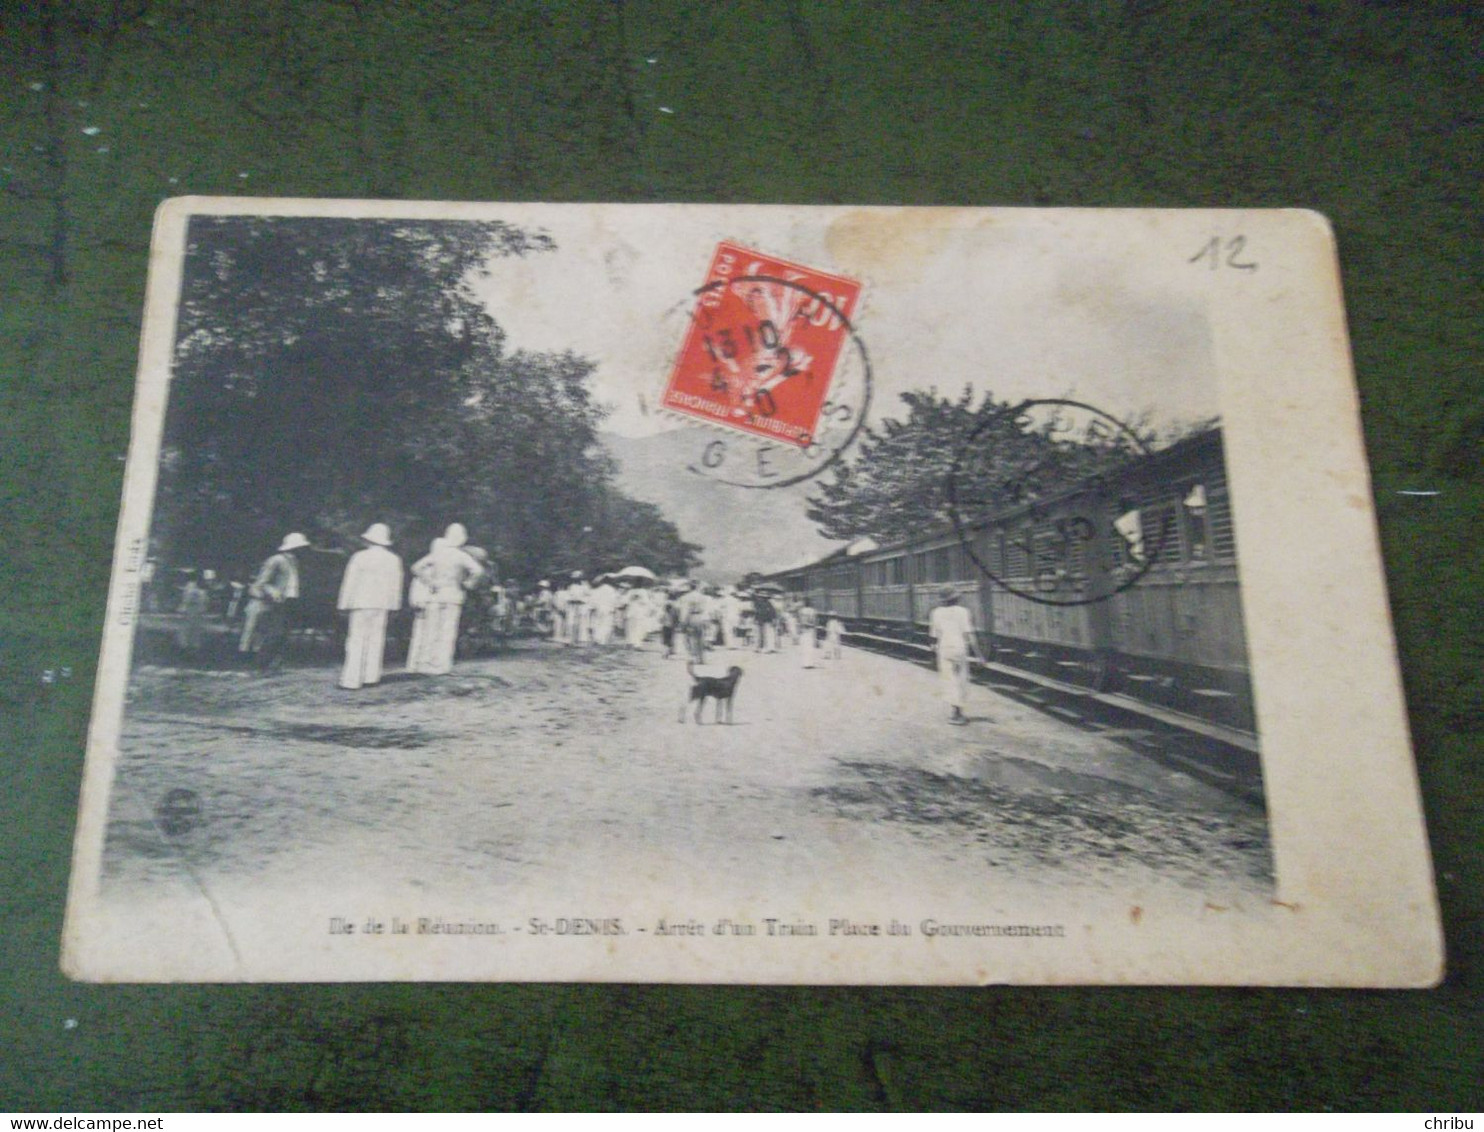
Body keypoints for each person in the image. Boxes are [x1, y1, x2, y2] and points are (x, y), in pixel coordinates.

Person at [408, 523, 483, 675]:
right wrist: (468, 584)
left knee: (432, 630)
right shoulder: (461, 555)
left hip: (435, 595)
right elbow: (478, 570)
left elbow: (415, 567)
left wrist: (430, 582)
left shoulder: (437, 554)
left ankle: (426, 663)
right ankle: (442, 665)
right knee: (447, 631)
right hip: (453, 595)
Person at [336, 523, 404, 690]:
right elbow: (396, 585)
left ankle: (351, 680)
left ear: (369, 540)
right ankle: (371, 676)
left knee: (356, 639)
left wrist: (343, 604)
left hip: (361, 602)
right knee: (376, 639)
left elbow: (350, 582)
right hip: (382, 603)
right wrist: (395, 606)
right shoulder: (394, 559)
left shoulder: (359, 557)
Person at [239, 532, 308, 670]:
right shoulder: (276, 560)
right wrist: (273, 592)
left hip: (287, 601)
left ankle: (271, 662)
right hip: (273, 602)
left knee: (281, 634)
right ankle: (260, 663)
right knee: (271, 633)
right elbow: (262, 582)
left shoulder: (293, 562)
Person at [929, 587, 980, 725]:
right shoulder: (963, 612)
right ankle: (959, 712)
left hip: (944, 648)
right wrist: (979, 655)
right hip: (959, 648)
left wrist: (933, 650)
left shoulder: (936, 613)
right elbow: (970, 635)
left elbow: (934, 636)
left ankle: (954, 713)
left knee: (948, 680)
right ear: (956, 598)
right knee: (961, 678)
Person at [590, 574, 619, 645]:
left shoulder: (597, 589)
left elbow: (593, 599)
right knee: (606, 624)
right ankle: (602, 640)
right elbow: (614, 600)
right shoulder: (612, 590)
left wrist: (593, 607)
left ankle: (596, 638)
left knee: (597, 623)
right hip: (608, 609)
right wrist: (614, 608)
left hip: (598, 608)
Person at [797, 599, 819, 669]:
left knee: (804, 647)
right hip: (811, 629)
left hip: (804, 629)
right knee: (810, 647)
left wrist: (799, 629)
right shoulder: (813, 611)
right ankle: (810, 663)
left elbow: (800, 621)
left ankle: (805, 663)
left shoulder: (801, 611)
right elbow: (815, 622)